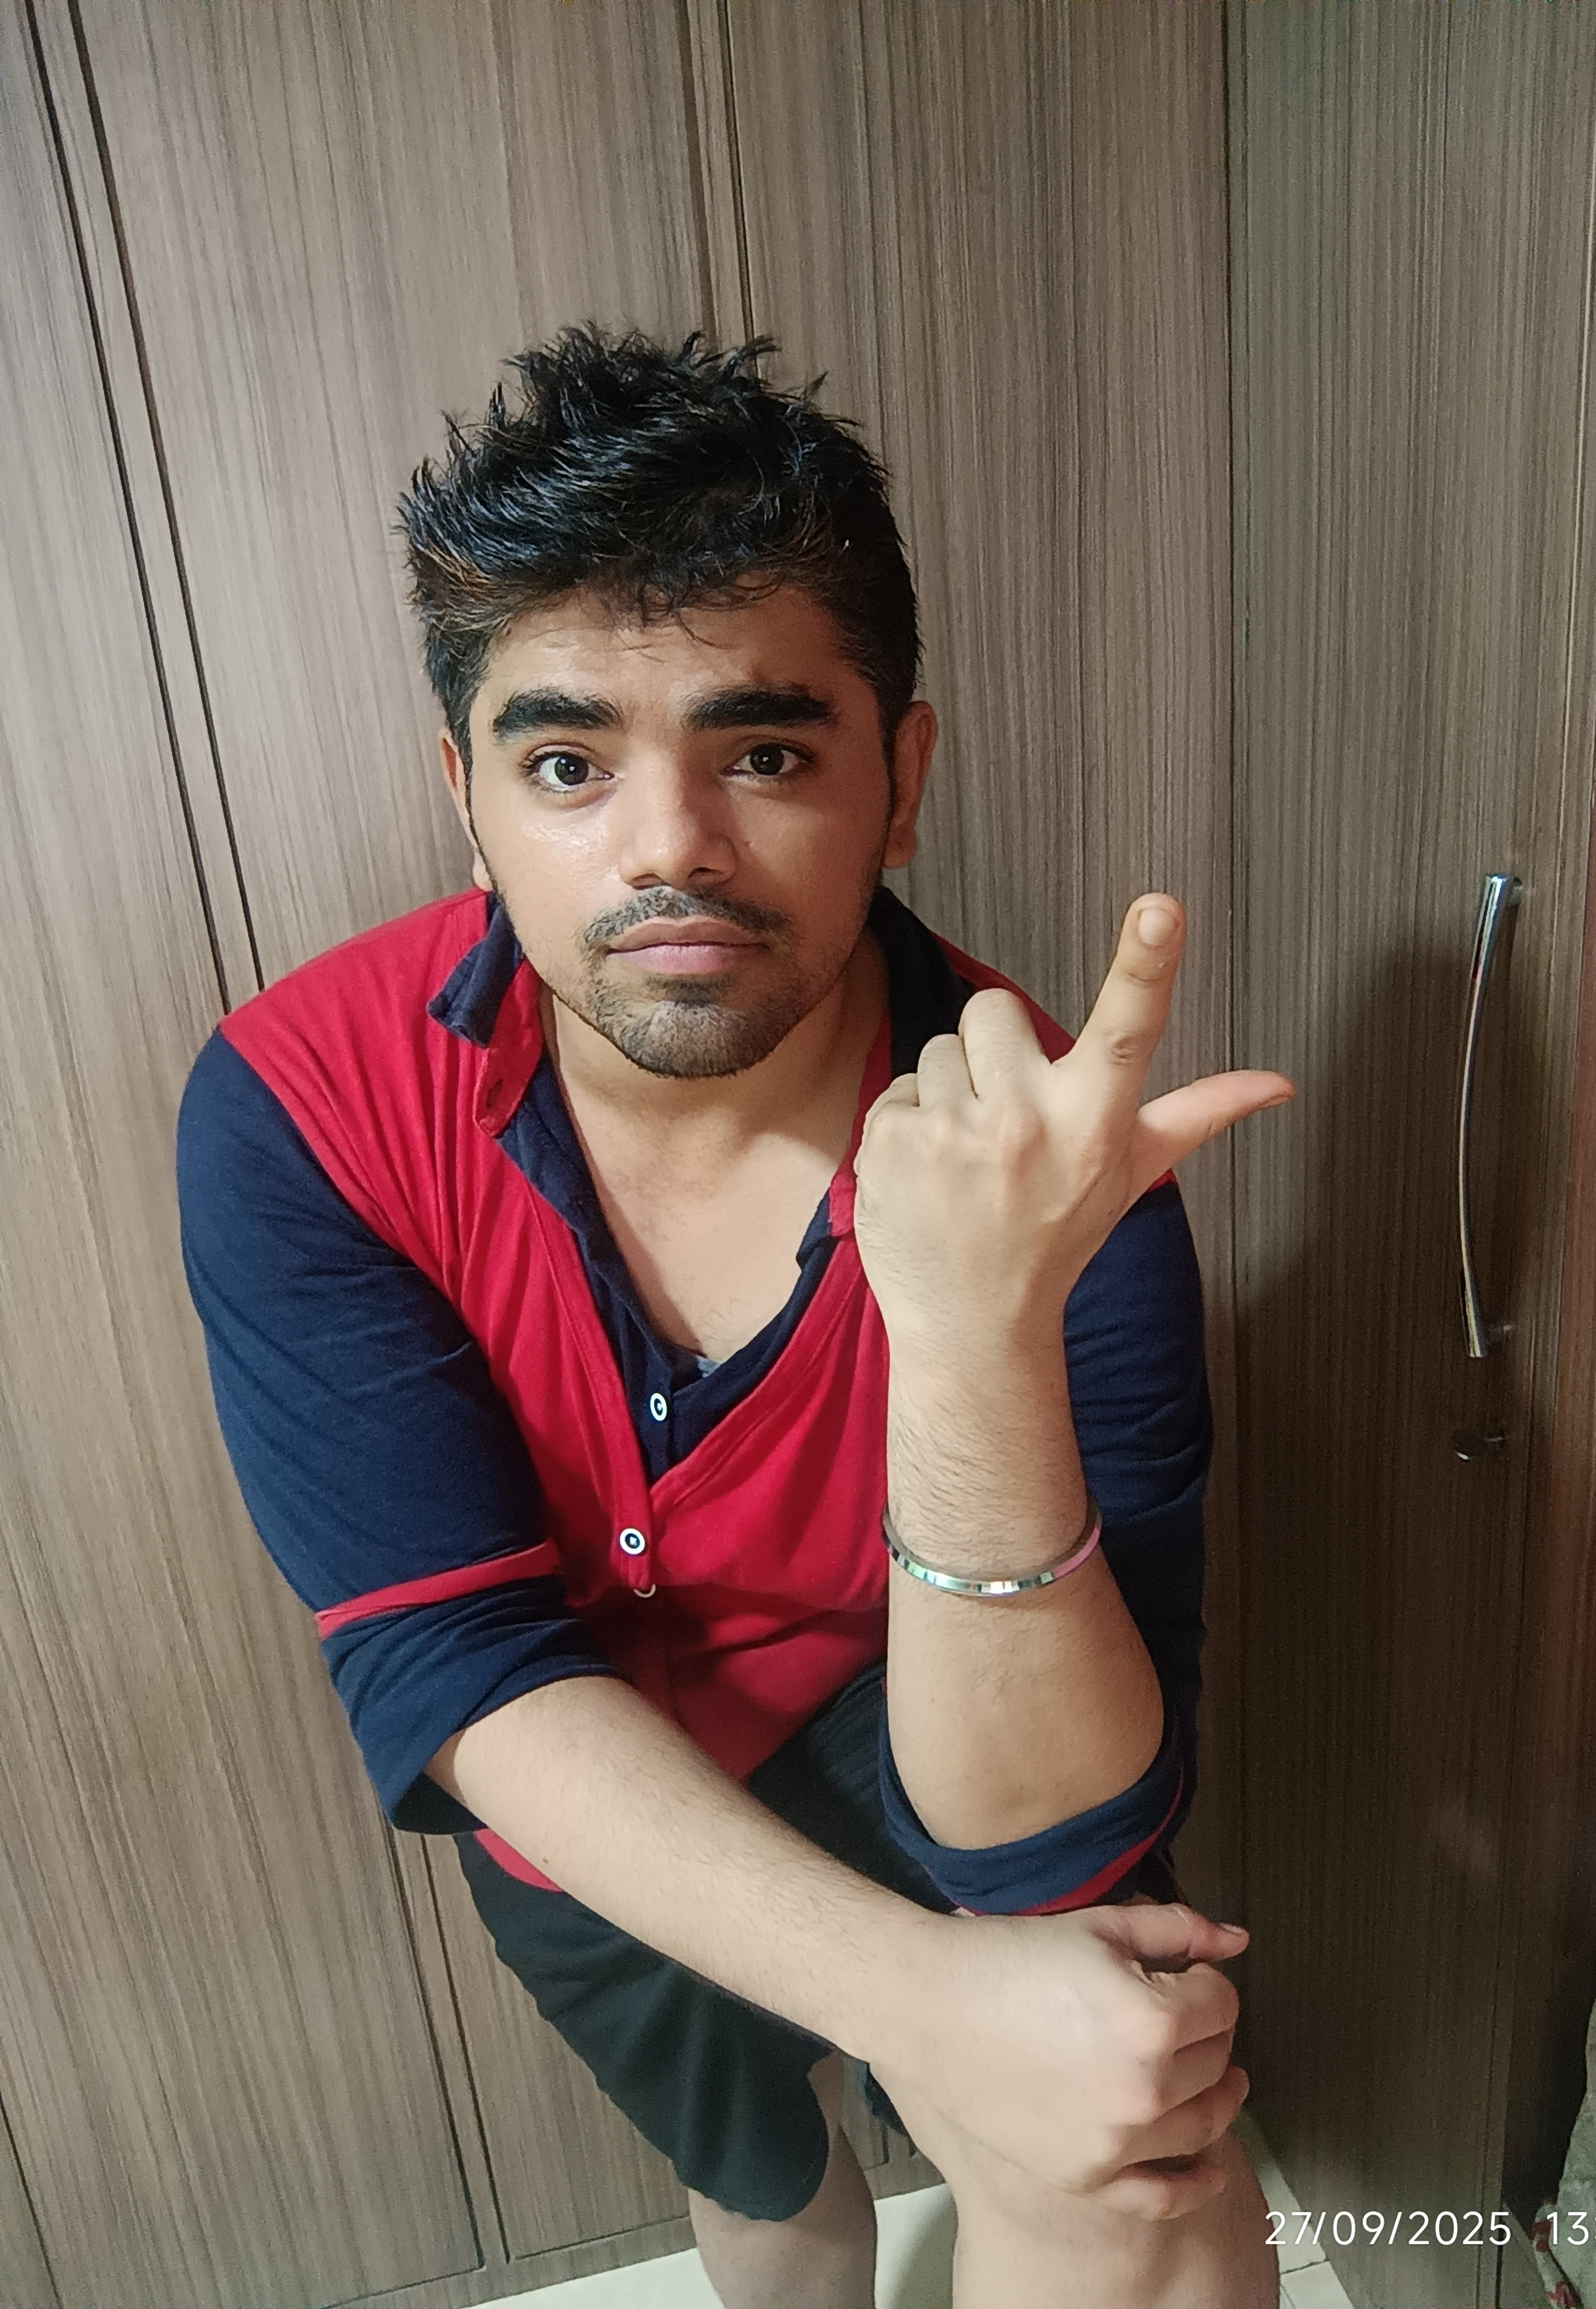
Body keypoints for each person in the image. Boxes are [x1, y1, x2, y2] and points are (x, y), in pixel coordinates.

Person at [176, 324, 1290, 2309]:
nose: (669, 846)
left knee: (1140, 2169)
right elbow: (449, 1655)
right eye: (567, 764)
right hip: (572, 1767)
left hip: (918, 1692)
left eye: (763, 753)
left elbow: (1056, 1840)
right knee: (768, 2188)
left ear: (900, 779)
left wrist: (972, 1336)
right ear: (466, 796)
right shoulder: (303, 1106)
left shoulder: (1049, 1145)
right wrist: (919, 2004)